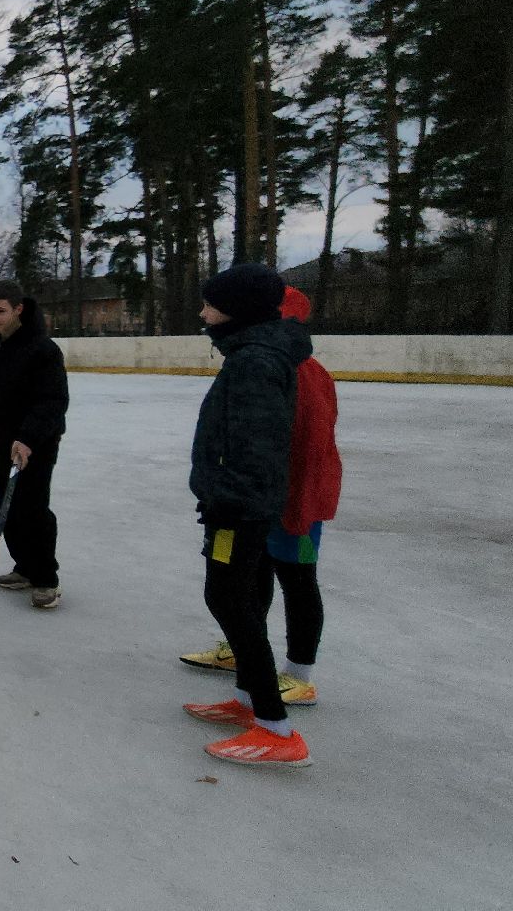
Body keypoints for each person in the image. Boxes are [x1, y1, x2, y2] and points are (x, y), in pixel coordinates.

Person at [180, 286, 341, 708]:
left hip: (295, 501)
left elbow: (312, 445)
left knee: (298, 578)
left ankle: (300, 673)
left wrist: (298, 508)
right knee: (253, 578)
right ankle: (244, 655)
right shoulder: (264, 358)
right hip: (263, 497)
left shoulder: (300, 370)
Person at [0, 279, 70, 610]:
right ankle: (25, 567)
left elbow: (52, 400)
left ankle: (45, 578)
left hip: (36, 442)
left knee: (32, 507)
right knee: (8, 506)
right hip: (3, 439)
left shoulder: (42, 350)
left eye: (0, 311)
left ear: (18, 309)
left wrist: (28, 438)